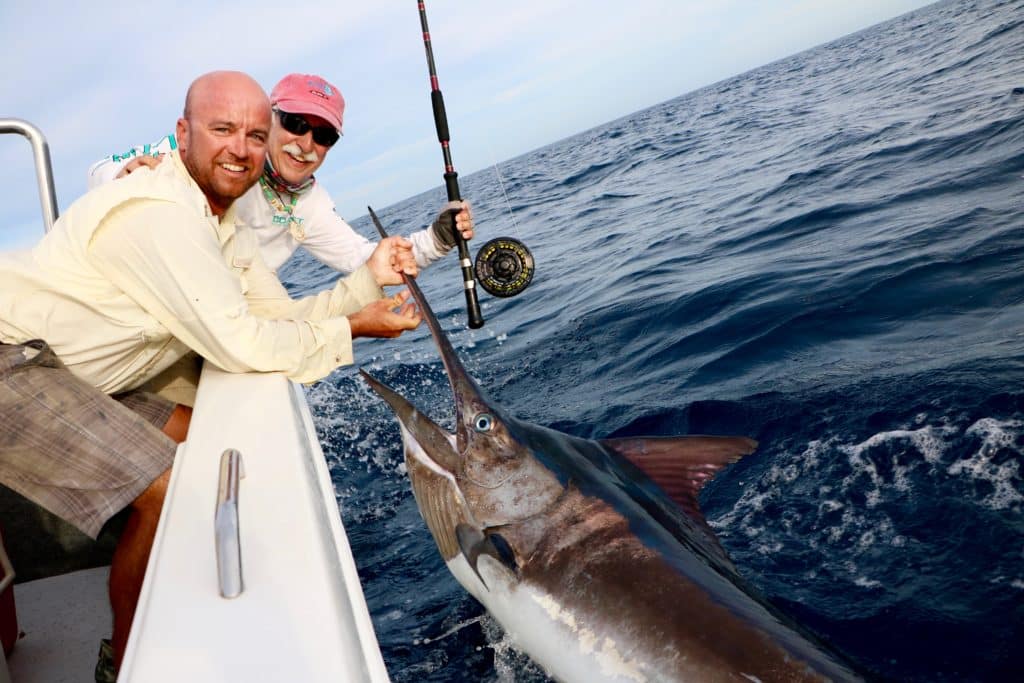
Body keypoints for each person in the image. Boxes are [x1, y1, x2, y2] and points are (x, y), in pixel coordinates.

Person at [0, 70, 421, 677]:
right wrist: (354, 328)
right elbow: (244, 344)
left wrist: (363, 291)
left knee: (206, 436)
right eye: (222, 130)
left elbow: (278, 314)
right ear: (182, 133)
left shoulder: (219, 220)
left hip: (72, 371)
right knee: (165, 483)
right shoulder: (164, 215)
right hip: (12, 358)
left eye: (255, 134)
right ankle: (124, 663)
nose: (241, 149)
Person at [88, 72, 475, 276]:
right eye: (294, 123)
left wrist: (438, 239)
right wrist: (124, 175)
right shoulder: (212, 149)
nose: (306, 143)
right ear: (268, 119)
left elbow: (363, 259)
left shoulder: (311, 204)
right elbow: (99, 170)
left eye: (323, 135)